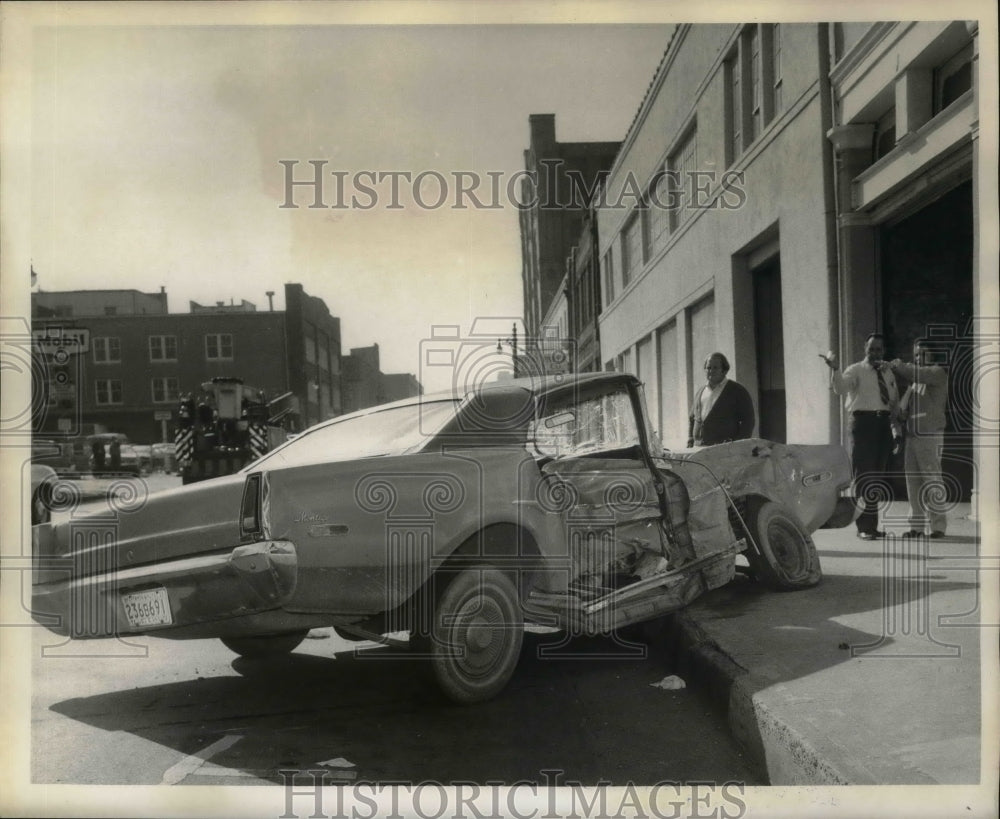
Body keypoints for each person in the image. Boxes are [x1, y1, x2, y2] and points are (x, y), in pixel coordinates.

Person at [824, 333, 900, 540]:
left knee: (877, 477)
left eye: (879, 349)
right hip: (863, 423)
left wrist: (895, 429)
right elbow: (840, 388)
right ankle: (864, 527)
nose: (875, 353)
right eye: (871, 348)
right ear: (864, 348)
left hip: (883, 424)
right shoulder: (855, 370)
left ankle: (872, 526)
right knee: (864, 476)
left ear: (883, 351)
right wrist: (835, 368)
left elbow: (892, 400)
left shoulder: (887, 372)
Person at [890, 340, 949, 538]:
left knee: (932, 481)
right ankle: (916, 527)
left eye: (923, 353)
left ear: (933, 355)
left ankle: (938, 526)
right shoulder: (915, 383)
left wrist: (898, 365)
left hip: (930, 436)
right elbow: (902, 409)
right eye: (916, 354)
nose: (919, 357)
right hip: (913, 437)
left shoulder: (937, 373)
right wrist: (901, 415)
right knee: (913, 482)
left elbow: (916, 372)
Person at [687, 352, 756, 446]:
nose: (711, 371)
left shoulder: (737, 391)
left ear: (725, 370)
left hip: (723, 450)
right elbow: (692, 419)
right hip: (698, 448)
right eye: (708, 368)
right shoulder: (700, 392)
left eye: (715, 368)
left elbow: (748, 421)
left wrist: (738, 446)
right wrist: (690, 440)